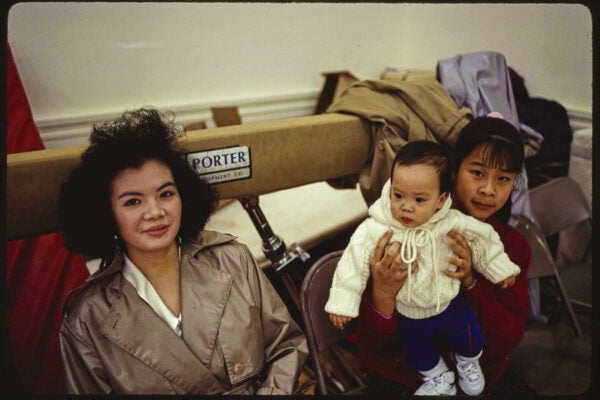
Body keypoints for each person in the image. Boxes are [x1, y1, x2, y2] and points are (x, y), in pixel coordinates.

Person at [58, 108, 308, 395]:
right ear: (105, 214)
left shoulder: (232, 259)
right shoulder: (87, 318)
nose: (155, 212)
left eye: (166, 194)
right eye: (132, 202)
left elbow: (287, 346)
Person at [325, 140, 520, 396]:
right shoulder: (377, 228)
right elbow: (352, 262)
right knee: (415, 352)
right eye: (398, 195)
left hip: (450, 306)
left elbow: (484, 239)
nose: (406, 206)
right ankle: (439, 378)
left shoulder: (450, 221)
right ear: (390, 189)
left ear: (440, 200)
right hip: (410, 313)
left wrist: (500, 269)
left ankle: (468, 362)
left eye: (419, 199)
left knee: (469, 337)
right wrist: (343, 302)